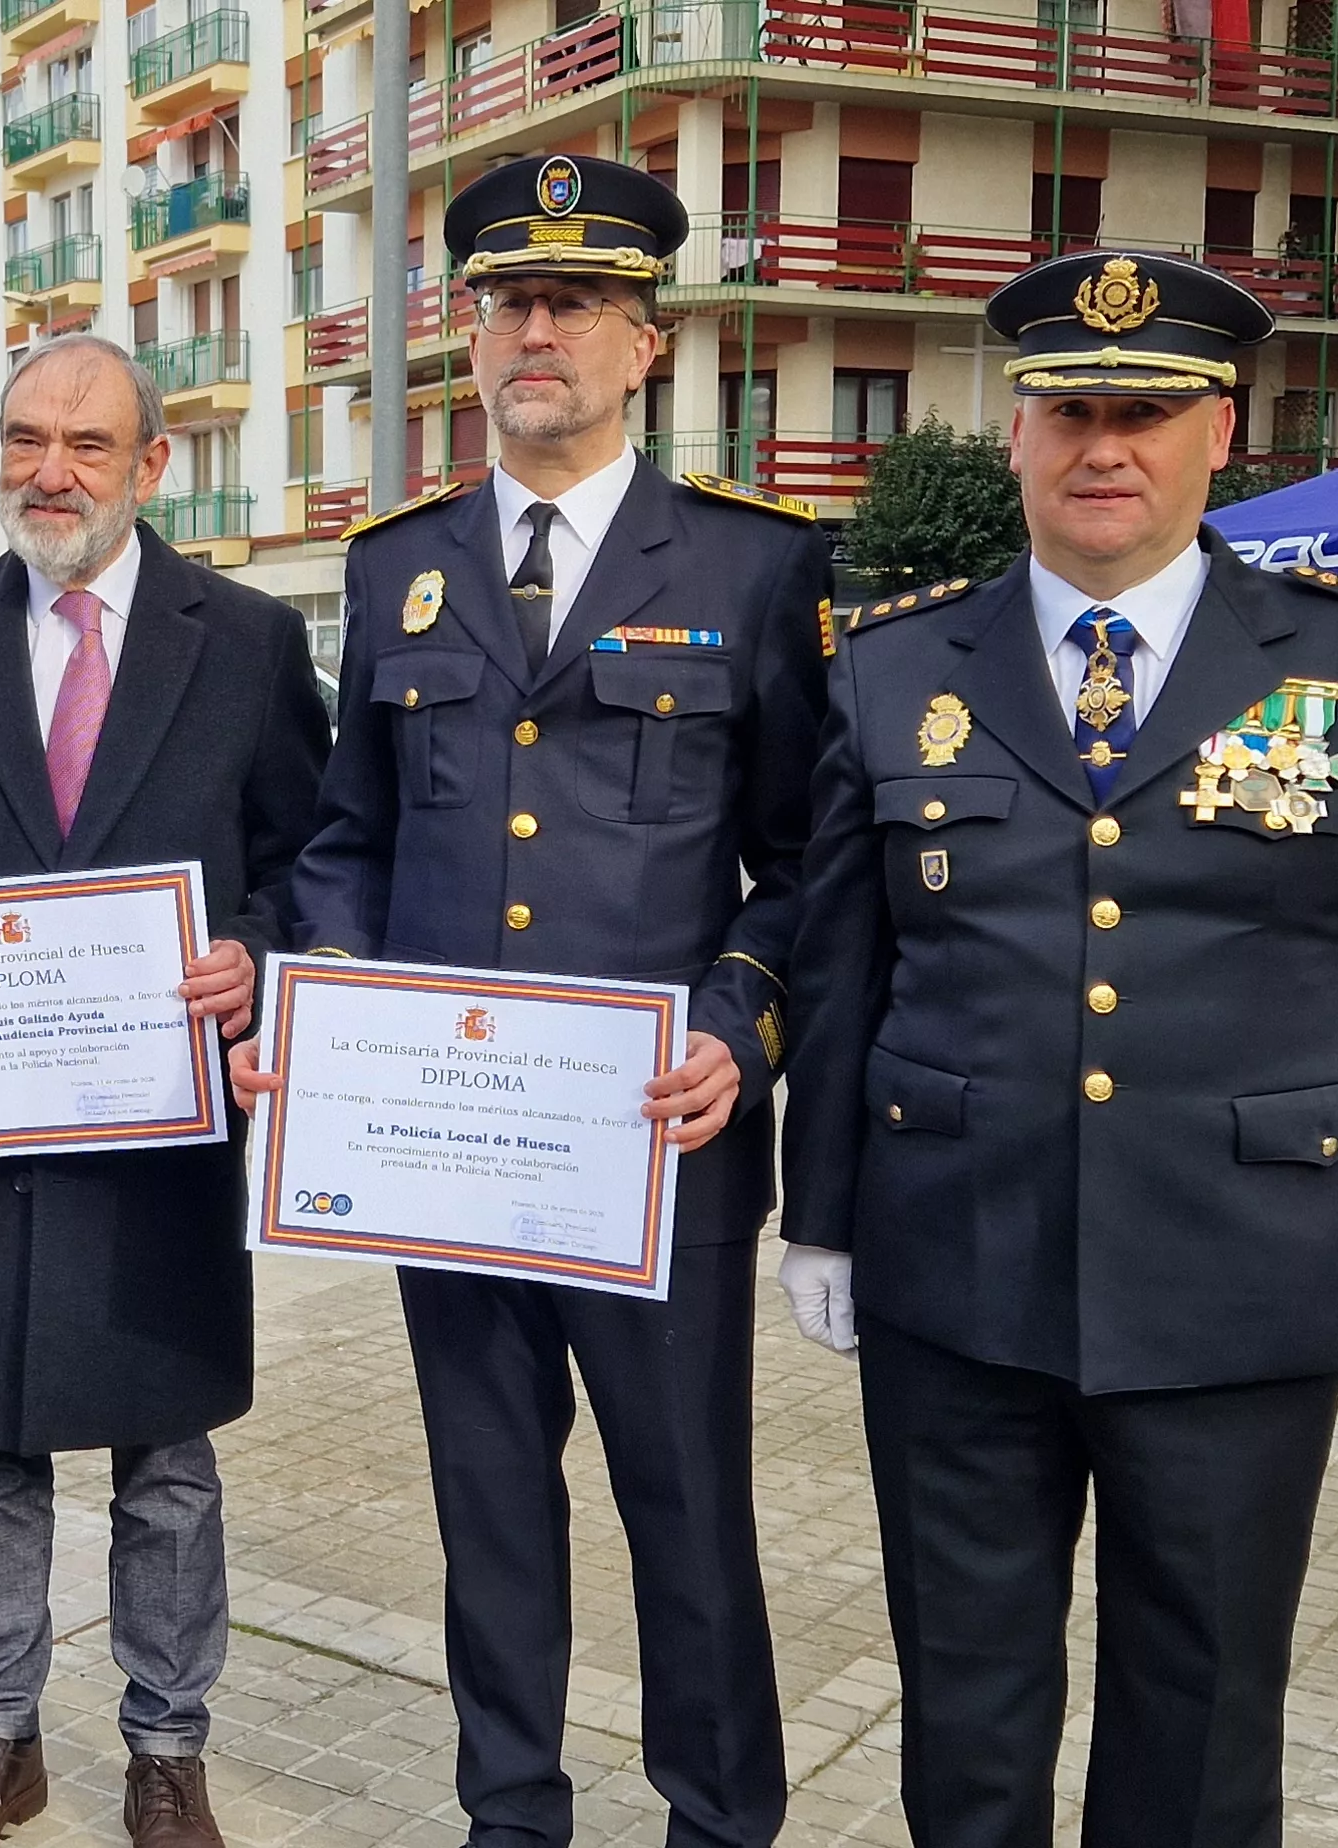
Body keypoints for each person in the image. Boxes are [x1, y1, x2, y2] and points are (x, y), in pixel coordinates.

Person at [778, 249, 1338, 1848]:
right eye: (1072, 412)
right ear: (1017, 432)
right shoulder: (893, 662)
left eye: (1147, 414)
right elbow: (843, 963)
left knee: (1206, 1704)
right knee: (966, 1700)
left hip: (1243, 1274)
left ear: (1219, 432)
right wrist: (819, 1214)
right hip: (958, 1263)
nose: (1107, 448)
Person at [249, 153, 831, 1848]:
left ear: (648, 342)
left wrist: (738, 1023)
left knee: (686, 1510)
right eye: (509, 301)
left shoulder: (749, 565)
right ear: (473, 334)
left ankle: (719, 1818)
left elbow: (809, 860)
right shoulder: (398, 565)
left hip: (654, 1141)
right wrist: (324, 990)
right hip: (444, 1146)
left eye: (576, 302)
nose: (536, 331)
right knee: (490, 1506)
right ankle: (512, 1813)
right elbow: (349, 839)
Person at [0, 333, 330, 1848]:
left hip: (160, 1130)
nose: (51, 472)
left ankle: (168, 1750)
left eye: (88, 444)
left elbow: (309, 862)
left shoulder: (245, 640)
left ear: (150, 464)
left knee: (165, 1461)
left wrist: (256, 957)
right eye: (26, 438)